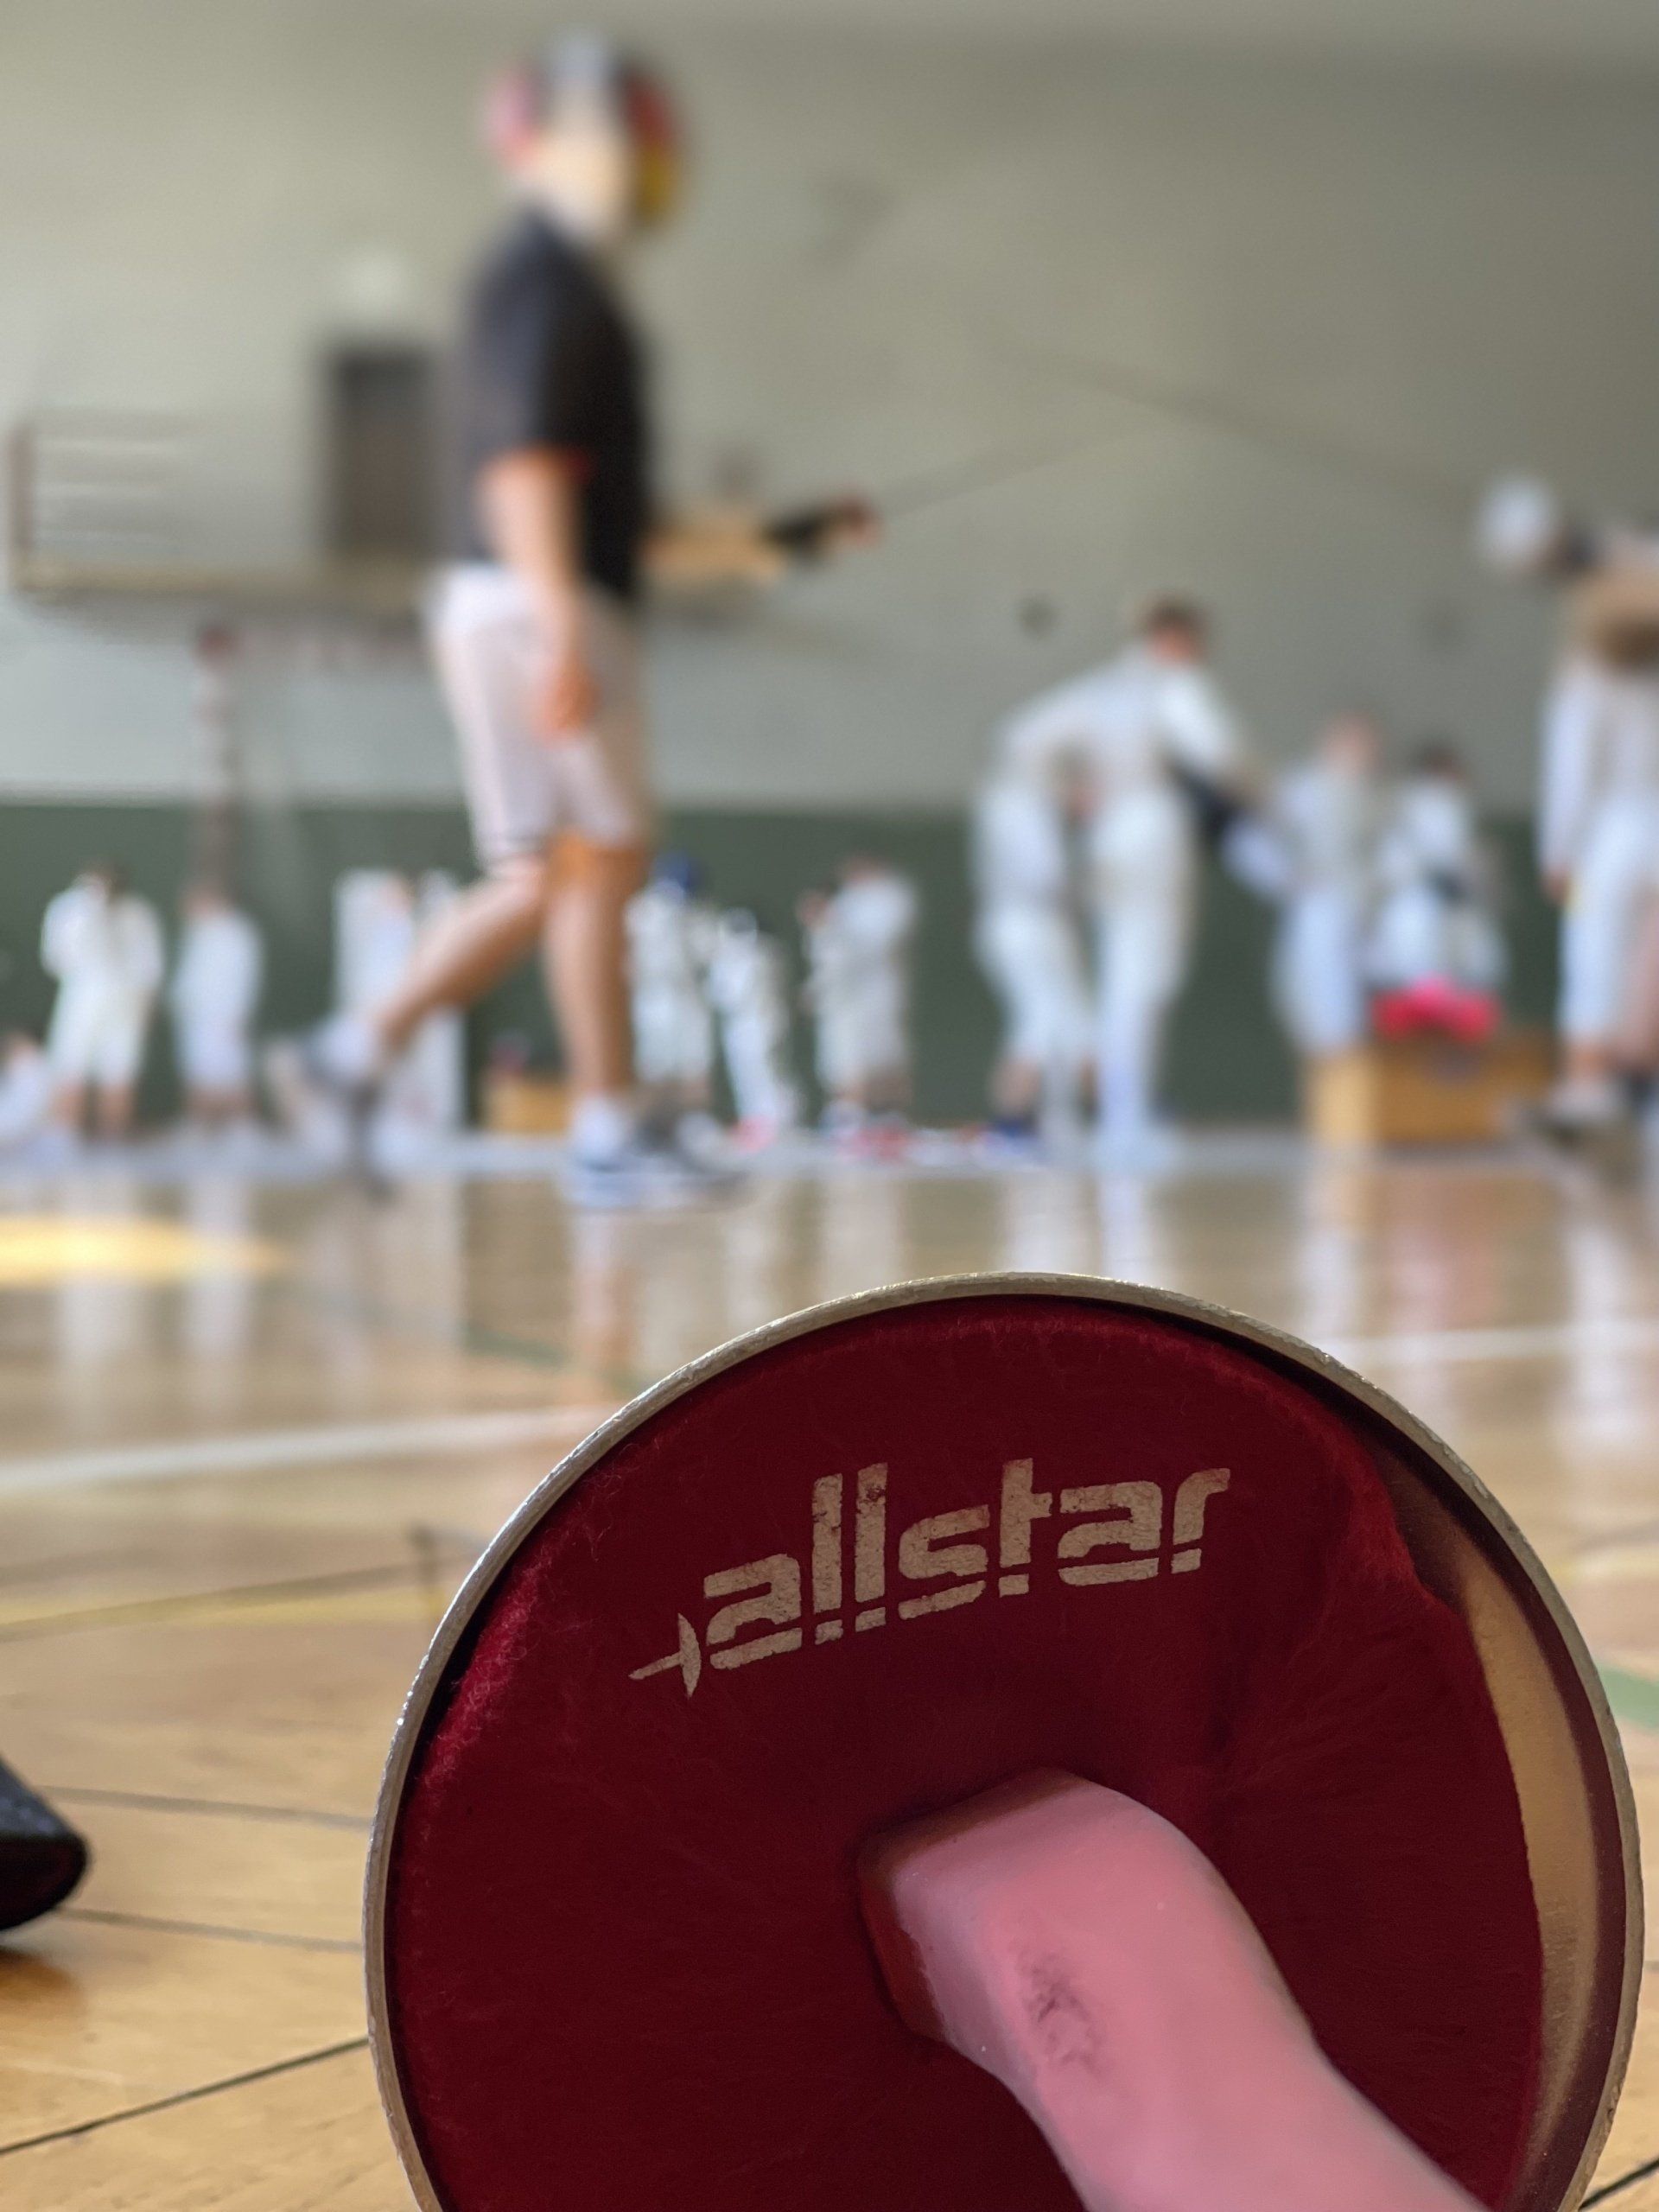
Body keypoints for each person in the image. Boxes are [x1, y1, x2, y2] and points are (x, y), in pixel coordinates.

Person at [308, 35, 874, 1201]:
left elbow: (627, 519)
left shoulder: (559, 287)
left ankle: (354, 1055)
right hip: (536, 596)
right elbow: (521, 471)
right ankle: (606, 1124)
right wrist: (562, 626)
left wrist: (791, 535)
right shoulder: (542, 281)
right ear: (548, 141)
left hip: (520, 592)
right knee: (598, 861)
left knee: (548, 875)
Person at [1001, 596, 1250, 1159]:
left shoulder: (1098, 690)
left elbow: (1019, 738)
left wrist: (1073, 793)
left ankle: (1122, 1114)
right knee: (1148, 980)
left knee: (1124, 980)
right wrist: (1258, 795)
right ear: (1175, 638)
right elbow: (1223, 754)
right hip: (1154, 835)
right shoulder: (1174, 686)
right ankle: (1128, 1117)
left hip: (1107, 841)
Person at [1230, 714, 1382, 1060]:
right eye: (1352, 742)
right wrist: (1288, 878)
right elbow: (1252, 840)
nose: (1360, 753)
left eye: (1367, 745)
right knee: (1316, 1005)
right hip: (1317, 909)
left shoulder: (1379, 797)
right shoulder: (1301, 789)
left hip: (1365, 913)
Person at [971, 768, 1092, 1142]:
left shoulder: (1017, 806)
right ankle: (1013, 1119)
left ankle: (1029, 1118)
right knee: (1045, 1024)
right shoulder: (1025, 808)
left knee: (1055, 1027)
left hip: (1020, 926)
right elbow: (1047, 877)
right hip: (1031, 928)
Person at [1366, 741, 1504, 1040]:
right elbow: (1392, 870)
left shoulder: (1469, 832)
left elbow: (1481, 882)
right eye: (1441, 777)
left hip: (1462, 946)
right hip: (1409, 939)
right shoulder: (1401, 821)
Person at [40, 864, 165, 1141]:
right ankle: (64, 1136)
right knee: (71, 1063)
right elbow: (56, 958)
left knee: (120, 1067)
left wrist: (145, 1006)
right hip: (83, 996)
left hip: (127, 999)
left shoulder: (138, 912)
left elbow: (150, 966)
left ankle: (114, 1136)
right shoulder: (68, 908)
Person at [801, 859, 918, 1138]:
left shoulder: (886, 900)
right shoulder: (837, 918)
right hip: (841, 1005)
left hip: (868, 997)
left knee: (876, 1056)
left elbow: (853, 957)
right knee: (842, 1060)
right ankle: (851, 1116)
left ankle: (880, 1116)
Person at [626, 855, 719, 1125]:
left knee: (695, 1060)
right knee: (654, 1062)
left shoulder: (700, 912)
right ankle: (654, 1123)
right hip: (653, 997)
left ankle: (694, 1120)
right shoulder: (643, 911)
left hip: (689, 995)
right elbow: (631, 955)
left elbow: (708, 951)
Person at [169, 884, 264, 1132]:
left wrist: (237, 1014)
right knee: (199, 1072)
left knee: (232, 1073)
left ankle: (245, 1128)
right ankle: (200, 1124)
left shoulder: (237, 931)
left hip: (225, 1018)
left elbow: (244, 977)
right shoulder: (200, 932)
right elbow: (191, 976)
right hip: (196, 1017)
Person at [706, 907, 800, 1145]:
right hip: (741, 1025)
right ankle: (755, 1120)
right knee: (746, 1074)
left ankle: (779, 1122)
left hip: (762, 1021)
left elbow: (734, 994)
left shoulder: (763, 955)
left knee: (769, 1073)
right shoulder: (729, 959)